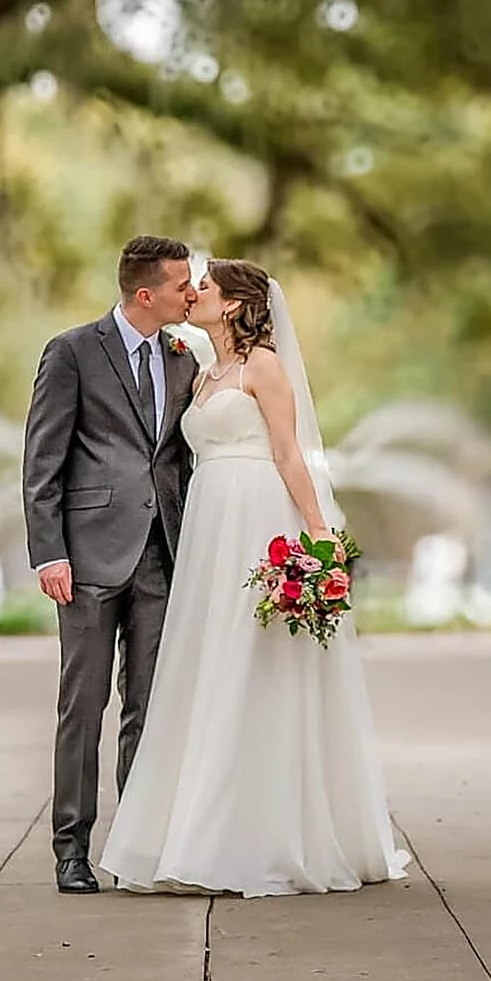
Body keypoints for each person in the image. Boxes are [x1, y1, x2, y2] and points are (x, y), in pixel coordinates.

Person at [99, 259, 408, 897]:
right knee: (204, 663)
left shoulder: (262, 366)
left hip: (256, 515)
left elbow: (289, 453)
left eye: (204, 288)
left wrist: (320, 532)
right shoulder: (203, 372)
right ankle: (185, 830)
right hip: (209, 525)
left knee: (250, 662)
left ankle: (247, 836)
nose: (194, 294)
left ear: (237, 305)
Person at [22, 236, 198, 896]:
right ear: (145, 293)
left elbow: (177, 459)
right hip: (87, 558)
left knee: (147, 707)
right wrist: (49, 550)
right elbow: (42, 458)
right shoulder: (71, 351)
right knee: (83, 704)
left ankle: (136, 842)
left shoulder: (183, 359)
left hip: (162, 555)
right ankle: (71, 847)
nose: (192, 291)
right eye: (182, 284)